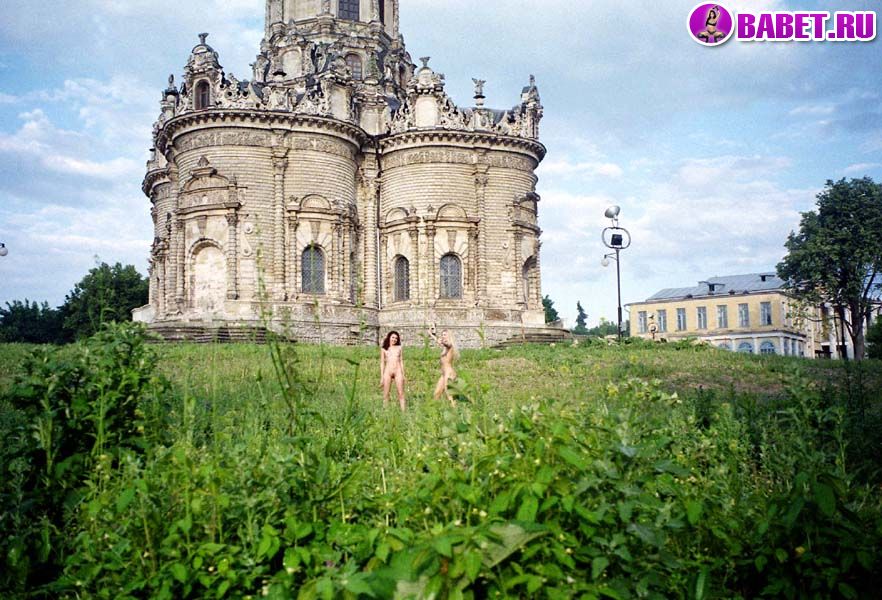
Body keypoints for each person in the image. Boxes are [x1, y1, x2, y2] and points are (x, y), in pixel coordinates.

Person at [429, 325, 459, 406]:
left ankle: (455, 411)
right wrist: (431, 334)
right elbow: (440, 341)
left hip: (449, 373)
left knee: (449, 395)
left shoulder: (450, 345)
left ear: (449, 336)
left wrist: (441, 341)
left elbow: (447, 344)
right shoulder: (444, 347)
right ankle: (434, 412)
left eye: (445, 335)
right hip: (443, 374)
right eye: (442, 335)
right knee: (436, 394)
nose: (443, 336)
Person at [380, 331, 406, 410]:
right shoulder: (384, 349)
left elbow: (401, 361)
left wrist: (403, 374)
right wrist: (382, 377)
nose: (394, 339)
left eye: (396, 338)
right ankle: (385, 412)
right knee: (386, 394)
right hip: (387, 372)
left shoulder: (399, 348)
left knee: (401, 393)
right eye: (393, 337)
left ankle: (403, 412)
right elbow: (382, 362)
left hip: (398, 371)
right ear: (389, 338)